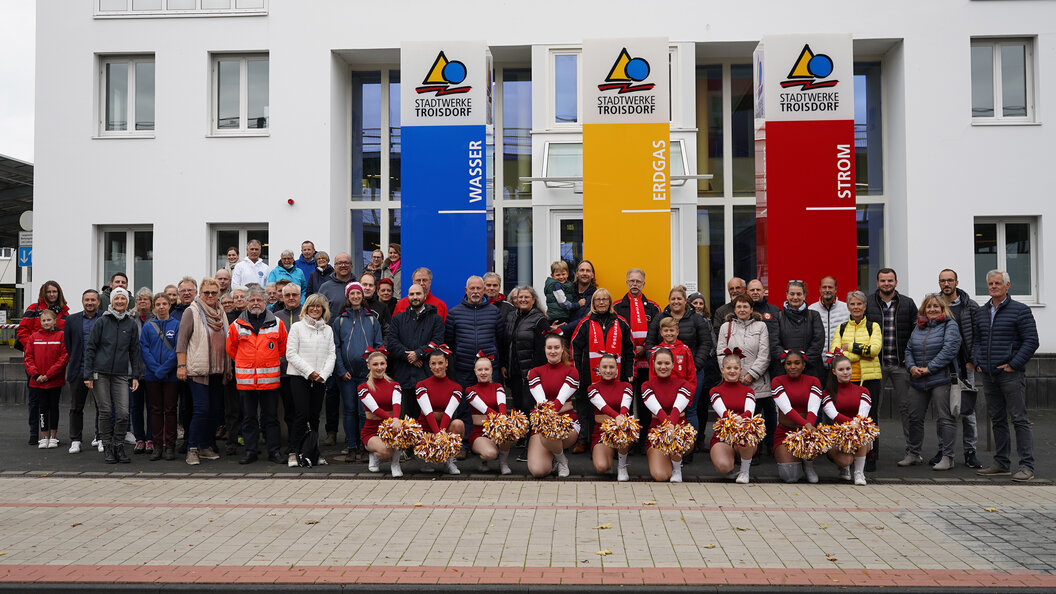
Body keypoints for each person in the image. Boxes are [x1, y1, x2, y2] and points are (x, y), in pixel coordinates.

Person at [974, 270, 1039, 481]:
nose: (993, 286)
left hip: (1010, 374)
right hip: (989, 374)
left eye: (998, 283)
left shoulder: (1020, 310)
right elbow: (977, 341)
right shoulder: (982, 312)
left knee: (1019, 419)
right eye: (991, 283)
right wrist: (978, 363)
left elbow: (1031, 341)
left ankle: (1027, 466)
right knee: (997, 420)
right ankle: (1001, 463)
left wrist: (1014, 364)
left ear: (1007, 286)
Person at [643, 285, 715, 446]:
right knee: (666, 409)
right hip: (664, 374)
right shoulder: (660, 318)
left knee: (689, 409)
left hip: (692, 371)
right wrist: (656, 364)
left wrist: (695, 365)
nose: (676, 302)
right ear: (669, 301)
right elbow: (649, 343)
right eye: (673, 299)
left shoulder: (696, 318)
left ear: (685, 301)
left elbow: (706, 342)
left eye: (679, 299)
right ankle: (664, 443)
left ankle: (688, 447)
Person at [227, 284, 287, 465]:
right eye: (251, 300)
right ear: (246, 302)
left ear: (265, 302)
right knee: (249, 418)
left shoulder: (277, 323)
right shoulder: (236, 325)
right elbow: (231, 349)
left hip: (270, 381)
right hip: (246, 381)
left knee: (271, 418)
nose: (255, 303)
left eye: (258, 300)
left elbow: (282, 348)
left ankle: (274, 451)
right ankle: (251, 451)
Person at [864, 268, 917, 472]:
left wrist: (910, 357)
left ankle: (913, 452)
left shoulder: (908, 303)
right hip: (875, 364)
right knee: (872, 410)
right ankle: (871, 452)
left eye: (890, 280)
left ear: (896, 281)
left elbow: (915, 332)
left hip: (900, 363)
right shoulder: (868, 303)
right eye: (883, 280)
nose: (887, 284)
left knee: (906, 408)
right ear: (877, 282)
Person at [83, 287, 143, 464]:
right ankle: (107, 446)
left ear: (127, 302)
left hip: (121, 374)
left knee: (123, 413)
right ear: (111, 301)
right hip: (100, 373)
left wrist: (136, 376)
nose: (119, 302)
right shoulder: (102, 321)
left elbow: (134, 352)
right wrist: (87, 375)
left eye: (123, 299)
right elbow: (91, 348)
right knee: (106, 412)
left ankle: (118, 445)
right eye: (117, 299)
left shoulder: (130, 324)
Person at [903, 294, 962, 470]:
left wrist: (929, 368)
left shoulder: (950, 325)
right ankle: (913, 454)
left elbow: (949, 350)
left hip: (940, 378)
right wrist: (912, 368)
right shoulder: (918, 326)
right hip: (917, 379)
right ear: (923, 309)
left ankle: (948, 457)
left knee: (946, 419)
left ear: (943, 308)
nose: (932, 310)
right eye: (929, 307)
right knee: (914, 417)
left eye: (936, 306)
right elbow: (908, 349)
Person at [570, 289, 633, 453]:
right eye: (598, 299)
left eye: (605, 299)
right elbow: (574, 349)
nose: (602, 302)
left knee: (615, 408)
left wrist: (629, 372)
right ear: (593, 302)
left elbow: (629, 349)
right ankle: (584, 439)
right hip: (587, 375)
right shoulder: (585, 323)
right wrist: (577, 373)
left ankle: (617, 439)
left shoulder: (621, 322)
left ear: (610, 302)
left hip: (616, 375)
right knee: (586, 409)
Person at [175, 277, 229, 465]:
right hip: (197, 370)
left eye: (214, 293)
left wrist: (227, 367)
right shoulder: (192, 311)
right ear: (200, 294)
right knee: (201, 409)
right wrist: (181, 366)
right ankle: (192, 448)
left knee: (214, 411)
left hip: (217, 369)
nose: (210, 296)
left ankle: (205, 445)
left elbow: (226, 339)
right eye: (206, 292)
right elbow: (181, 341)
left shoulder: (221, 312)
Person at [933, 268, 982, 469]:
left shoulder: (970, 306)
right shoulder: (934, 305)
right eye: (943, 281)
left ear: (956, 282)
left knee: (967, 411)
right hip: (942, 367)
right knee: (943, 411)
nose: (946, 284)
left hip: (965, 366)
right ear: (939, 283)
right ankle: (943, 449)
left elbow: (980, 335)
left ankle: (970, 451)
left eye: (950, 280)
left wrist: (973, 360)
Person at [830, 290, 883, 469]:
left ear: (865, 306)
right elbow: (836, 354)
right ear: (848, 307)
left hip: (869, 379)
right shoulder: (842, 327)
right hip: (848, 380)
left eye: (859, 304)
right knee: (847, 417)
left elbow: (874, 350)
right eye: (852, 304)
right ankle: (847, 455)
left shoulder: (873, 326)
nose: (856, 307)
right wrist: (861, 354)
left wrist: (850, 347)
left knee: (870, 418)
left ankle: (869, 457)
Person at [332, 282, 383, 461]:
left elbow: (378, 346)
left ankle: (364, 445)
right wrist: (341, 369)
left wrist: (373, 370)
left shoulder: (371, 319)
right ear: (348, 296)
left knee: (364, 412)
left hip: (366, 376)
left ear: (362, 296)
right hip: (346, 375)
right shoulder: (339, 320)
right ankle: (351, 446)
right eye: (352, 294)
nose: (355, 296)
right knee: (349, 410)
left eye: (358, 293)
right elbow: (336, 347)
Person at [285, 293, 336, 467]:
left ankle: (313, 453)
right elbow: (291, 353)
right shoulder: (297, 327)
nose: (315, 309)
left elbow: (331, 355)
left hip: (320, 378)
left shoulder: (327, 330)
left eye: (319, 306)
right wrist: (310, 372)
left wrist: (324, 373)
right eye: (312, 306)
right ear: (306, 308)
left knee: (315, 416)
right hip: (300, 377)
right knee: (301, 415)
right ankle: (294, 452)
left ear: (323, 309)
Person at [716, 293, 771, 455]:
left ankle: (753, 452)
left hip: (756, 382)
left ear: (751, 309)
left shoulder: (761, 327)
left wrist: (751, 375)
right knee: (735, 416)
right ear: (734, 309)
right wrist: (730, 373)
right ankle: (734, 450)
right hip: (733, 380)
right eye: (738, 306)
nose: (742, 309)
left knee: (752, 418)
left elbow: (764, 354)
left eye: (745, 306)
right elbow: (720, 353)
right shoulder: (726, 327)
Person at [18, 280, 69, 446]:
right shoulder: (33, 309)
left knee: (53, 403)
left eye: (55, 291)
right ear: (44, 293)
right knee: (35, 400)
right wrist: (32, 346)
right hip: (36, 362)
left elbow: (67, 336)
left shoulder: (65, 311)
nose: (52, 294)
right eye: (49, 292)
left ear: (59, 293)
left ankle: (52, 435)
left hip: (55, 365)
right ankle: (35, 433)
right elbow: (22, 331)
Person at [385, 283, 444, 427]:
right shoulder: (398, 319)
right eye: (411, 294)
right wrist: (410, 358)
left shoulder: (435, 319)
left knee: (425, 419)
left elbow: (437, 342)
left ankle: (424, 448)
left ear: (425, 296)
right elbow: (392, 343)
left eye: (418, 294)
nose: (415, 297)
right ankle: (407, 449)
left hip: (426, 375)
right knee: (404, 419)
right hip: (403, 376)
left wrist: (419, 354)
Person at [526, 333, 580, 478]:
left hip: (567, 422)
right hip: (543, 424)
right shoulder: (535, 372)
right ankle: (556, 456)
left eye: (556, 347)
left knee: (549, 430)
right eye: (549, 348)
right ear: (544, 349)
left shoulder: (572, 371)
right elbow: (541, 403)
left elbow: (559, 401)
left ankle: (562, 460)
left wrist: (548, 416)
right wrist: (547, 417)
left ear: (563, 349)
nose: (553, 351)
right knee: (538, 471)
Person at [642, 348, 695, 483]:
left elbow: (677, 408)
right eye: (659, 363)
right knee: (661, 476)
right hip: (657, 435)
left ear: (673, 364)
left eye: (667, 363)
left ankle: (677, 467)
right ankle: (669, 460)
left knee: (676, 438)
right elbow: (657, 409)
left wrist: (672, 427)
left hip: (679, 432)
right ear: (653, 364)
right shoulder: (646, 385)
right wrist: (668, 425)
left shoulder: (684, 384)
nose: (663, 367)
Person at [771, 350, 824, 483]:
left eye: (797, 363)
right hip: (785, 432)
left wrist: (808, 430)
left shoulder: (814, 381)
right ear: (784, 366)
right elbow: (787, 409)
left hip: (806, 431)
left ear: (803, 365)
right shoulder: (777, 381)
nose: (793, 366)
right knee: (790, 477)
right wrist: (806, 424)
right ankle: (798, 460)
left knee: (810, 479)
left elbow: (813, 409)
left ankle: (808, 464)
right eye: (789, 363)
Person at [822, 355, 873, 486]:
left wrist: (856, 424)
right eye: (841, 369)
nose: (845, 372)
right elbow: (833, 415)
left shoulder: (863, 390)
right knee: (846, 460)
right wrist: (852, 423)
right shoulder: (827, 393)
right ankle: (844, 468)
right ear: (834, 372)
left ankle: (859, 473)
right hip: (837, 434)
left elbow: (863, 413)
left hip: (858, 431)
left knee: (861, 433)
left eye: (848, 368)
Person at [140, 292, 180, 461]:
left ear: (169, 305)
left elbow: (179, 348)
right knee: (155, 410)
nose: (161, 307)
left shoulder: (177, 325)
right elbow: (144, 349)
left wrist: (165, 369)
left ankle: (170, 446)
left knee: (170, 410)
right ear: (154, 307)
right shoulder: (148, 327)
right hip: (152, 376)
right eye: (158, 304)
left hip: (171, 376)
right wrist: (157, 369)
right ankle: (157, 446)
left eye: (164, 304)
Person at [446, 275, 505, 387]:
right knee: (464, 403)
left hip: (489, 368)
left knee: (490, 402)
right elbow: (450, 341)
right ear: (466, 290)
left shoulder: (494, 312)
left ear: (484, 290)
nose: (475, 291)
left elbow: (500, 339)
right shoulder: (454, 313)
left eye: (479, 288)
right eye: (472, 288)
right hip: (464, 369)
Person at [708, 352, 758, 484]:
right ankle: (731, 467)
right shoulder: (715, 390)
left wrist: (740, 419)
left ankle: (744, 471)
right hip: (723, 436)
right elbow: (723, 413)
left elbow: (749, 412)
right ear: (722, 370)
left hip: (743, 431)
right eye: (729, 368)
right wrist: (734, 419)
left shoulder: (749, 391)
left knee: (745, 435)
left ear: (741, 370)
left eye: (735, 368)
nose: (732, 371)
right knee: (724, 466)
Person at [415, 344, 465, 474]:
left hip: (443, 429)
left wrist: (441, 436)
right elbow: (428, 413)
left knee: (458, 424)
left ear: (447, 363)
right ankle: (423, 460)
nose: (437, 367)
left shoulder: (456, 387)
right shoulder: (421, 385)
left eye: (440, 363)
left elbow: (449, 413)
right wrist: (437, 436)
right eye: (433, 363)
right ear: (429, 365)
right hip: (426, 430)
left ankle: (449, 461)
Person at [64, 289, 101, 454]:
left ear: (98, 302)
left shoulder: (105, 318)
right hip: (78, 369)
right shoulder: (72, 320)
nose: (90, 303)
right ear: (82, 301)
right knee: (76, 407)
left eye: (93, 300)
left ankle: (100, 437)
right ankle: (76, 440)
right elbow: (69, 345)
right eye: (87, 300)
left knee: (102, 407)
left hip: (100, 370)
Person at [24, 309, 68, 449]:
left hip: (54, 380)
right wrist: (36, 375)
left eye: (49, 320)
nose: (46, 322)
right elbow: (28, 358)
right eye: (44, 320)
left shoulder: (61, 336)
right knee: (42, 407)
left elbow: (64, 357)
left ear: (55, 321)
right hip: (38, 381)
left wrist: (49, 375)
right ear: (40, 322)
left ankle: (53, 436)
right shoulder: (34, 337)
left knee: (54, 407)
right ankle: (44, 436)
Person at [613, 268, 661, 393]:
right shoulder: (616, 307)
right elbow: (614, 334)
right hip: (625, 361)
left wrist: (644, 347)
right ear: (627, 282)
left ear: (643, 284)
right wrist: (631, 349)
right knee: (625, 398)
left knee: (646, 399)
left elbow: (658, 332)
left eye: (638, 281)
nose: (635, 284)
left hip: (648, 361)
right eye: (632, 281)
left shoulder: (654, 307)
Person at [505, 286, 550, 420]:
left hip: (530, 373)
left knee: (529, 405)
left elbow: (542, 348)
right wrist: (504, 365)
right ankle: (520, 437)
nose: (523, 300)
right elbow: (506, 342)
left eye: (526, 297)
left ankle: (531, 437)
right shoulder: (511, 316)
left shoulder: (540, 319)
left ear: (533, 300)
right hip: (514, 372)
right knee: (517, 405)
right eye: (520, 297)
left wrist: (534, 369)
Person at [587, 353, 634, 481]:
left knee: (623, 429)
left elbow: (626, 405)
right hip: (601, 432)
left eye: (612, 367)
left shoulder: (626, 386)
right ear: (599, 369)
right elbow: (602, 406)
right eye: (605, 367)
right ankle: (611, 455)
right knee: (602, 468)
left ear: (617, 369)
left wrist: (621, 418)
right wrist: (617, 417)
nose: (608, 370)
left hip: (621, 428)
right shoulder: (592, 388)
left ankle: (622, 465)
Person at [358, 349, 405, 477]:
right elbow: (375, 409)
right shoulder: (363, 388)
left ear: (386, 364)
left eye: (382, 364)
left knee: (404, 433)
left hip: (391, 427)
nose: (379, 367)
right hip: (372, 431)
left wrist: (396, 421)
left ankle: (395, 464)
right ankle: (375, 454)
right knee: (386, 451)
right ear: (368, 366)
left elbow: (396, 404)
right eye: (375, 364)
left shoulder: (395, 385)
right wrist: (394, 420)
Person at [465, 354, 513, 474]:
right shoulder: (470, 390)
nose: (483, 373)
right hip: (479, 433)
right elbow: (485, 409)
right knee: (490, 454)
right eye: (480, 370)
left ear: (491, 370)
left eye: (486, 369)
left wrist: (502, 424)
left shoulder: (498, 387)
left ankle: (503, 463)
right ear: (475, 371)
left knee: (508, 431)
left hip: (497, 430)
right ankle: (482, 459)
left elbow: (502, 409)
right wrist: (501, 420)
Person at [773, 280, 825, 380]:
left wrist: (802, 362)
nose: (795, 297)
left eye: (799, 294)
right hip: (784, 372)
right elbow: (774, 343)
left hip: (810, 371)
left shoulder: (814, 315)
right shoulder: (777, 316)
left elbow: (818, 342)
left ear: (804, 295)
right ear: (787, 295)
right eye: (792, 294)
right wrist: (789, 363)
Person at [273, 283, 303, 447]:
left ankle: (302, 443)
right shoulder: (275, 316)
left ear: (300, 296)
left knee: (302, 410)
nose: (291, 298)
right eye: (287, 295)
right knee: (288, 411)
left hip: (302, 372)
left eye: (294, 295)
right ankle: (291, 444)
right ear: (282, 297)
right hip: (282, 371)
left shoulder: (307, 314)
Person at [810, 275, 849, 353]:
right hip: (818, 361)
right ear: (820, 289)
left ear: (836, 289)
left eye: (830, 287)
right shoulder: (811, 309)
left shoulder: (847, 309)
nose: (827, 290)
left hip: (841, 360)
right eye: (824, 287)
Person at [317, 252, 356, 318]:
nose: (343, 265)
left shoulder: (358, 286)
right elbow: (318, 311)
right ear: (334, 267)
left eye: (346, 262)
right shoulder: (325, 287)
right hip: (331, 327)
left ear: (351, 266)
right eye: (339, 263)